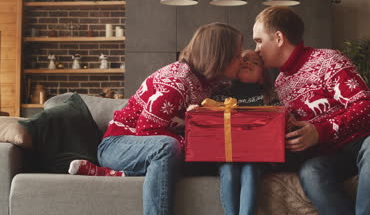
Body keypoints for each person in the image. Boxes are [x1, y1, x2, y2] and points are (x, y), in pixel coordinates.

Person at [69, 22, 243, 215]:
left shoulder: (209, 83)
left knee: (214, 154)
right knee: (167, 147)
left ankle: (117, 174)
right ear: (220, 56)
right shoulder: (176, 83)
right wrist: (194, 143)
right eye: (237, 56)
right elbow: (147, 131)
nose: (241, 60)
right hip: (119, 146)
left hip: (152, 150)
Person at [252, 6, 370, 215]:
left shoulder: (328, 60)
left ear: (278, 38)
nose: (256, 50)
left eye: (259, 41)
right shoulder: (281, 83)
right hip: (336, 154)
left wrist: (319, 131)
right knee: (311, 171)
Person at [212, 49, 278, 215]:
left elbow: (277, 122)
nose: (248, 63)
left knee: (251, 168)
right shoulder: (219, 94)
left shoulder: (269, 96)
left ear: (263, 75)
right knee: (229, 170)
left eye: (255, 62)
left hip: (258, 154)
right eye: (244, 60)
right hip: (226, 153)